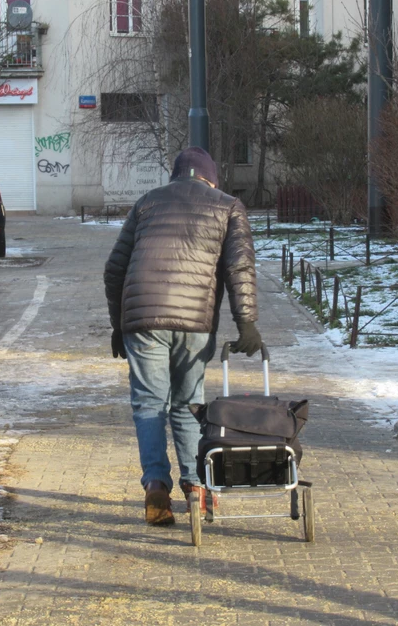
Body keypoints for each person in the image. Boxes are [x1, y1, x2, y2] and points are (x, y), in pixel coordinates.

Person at [103, 147, 262, 526]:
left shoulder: (147, 203)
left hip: (142, 321)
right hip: (194, 322)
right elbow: (239, 267)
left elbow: (114, 269)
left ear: (176, 176)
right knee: (189, 403)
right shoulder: (227, 206)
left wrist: (118, 324)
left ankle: (156, 486)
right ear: (211, 178)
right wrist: (247, 324)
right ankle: (196, 489)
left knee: (148, 404)